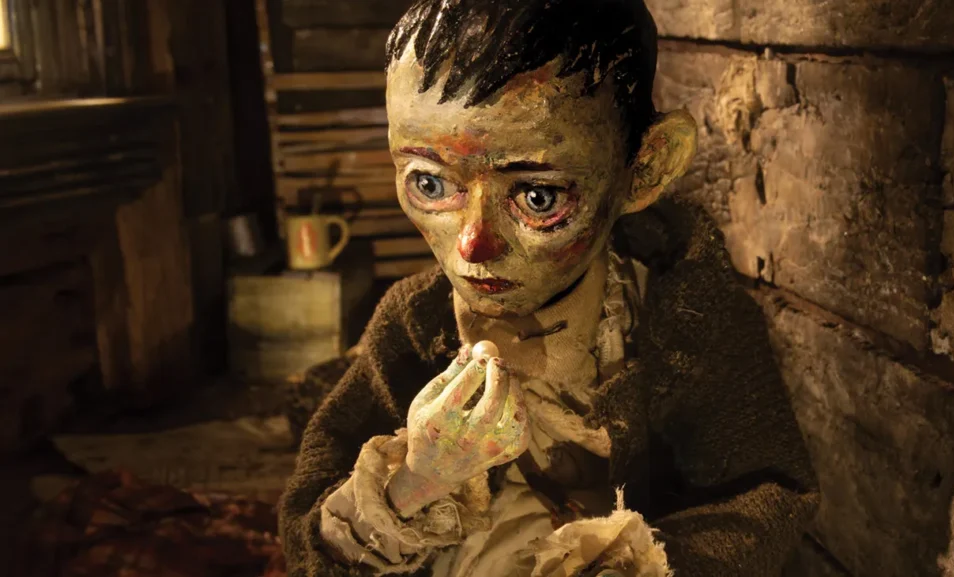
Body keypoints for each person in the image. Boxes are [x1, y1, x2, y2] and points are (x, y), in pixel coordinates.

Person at [278, 0, 819, 575]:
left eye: (539, 197)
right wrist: (418, 480)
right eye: (430, 185)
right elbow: (311, 533)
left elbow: (765, 494)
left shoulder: (684, 319)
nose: (472, 245)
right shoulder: (417, 322)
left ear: (646, 167)